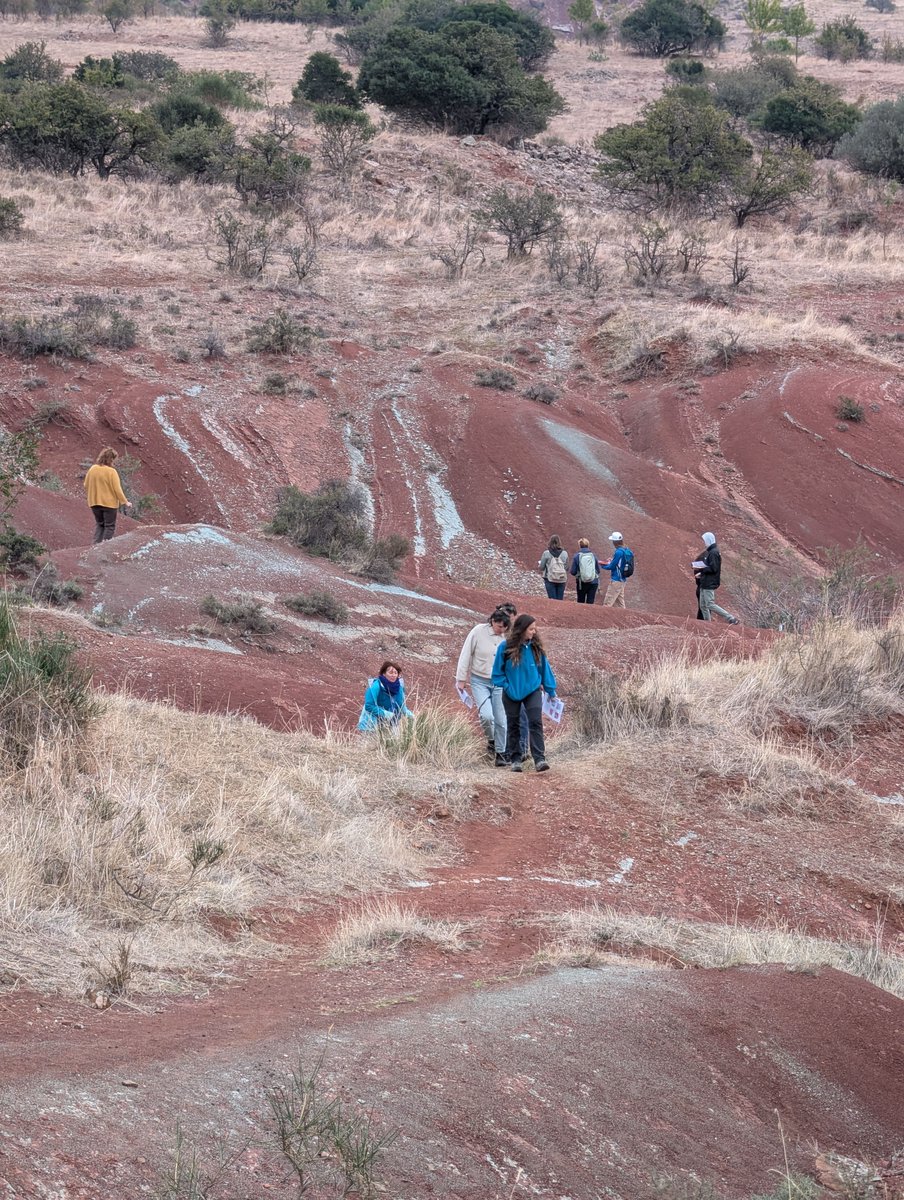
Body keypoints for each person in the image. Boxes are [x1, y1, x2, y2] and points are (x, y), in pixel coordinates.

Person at [492, 613, 557, 774]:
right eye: (531, 629)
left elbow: (545, 670)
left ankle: (540, 759)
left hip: (532, 690)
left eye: (534, 629)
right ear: (521, 630)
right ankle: (515, 760)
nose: (534, 632)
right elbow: (497, 673)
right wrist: (506, 686)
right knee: (513, 725)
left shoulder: (536, 648)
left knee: (535, 722)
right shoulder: (505, 647)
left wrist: (551, 690)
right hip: (511, 692)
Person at [456, 609, 510, 766]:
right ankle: (492, 740)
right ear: (492, 621)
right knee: (487, 716)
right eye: (499, 626)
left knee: (501, 719)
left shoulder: (507, 637)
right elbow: (466, 653)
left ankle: (501, 754)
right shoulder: (478, 631)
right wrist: (461, 678)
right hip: (479, 681)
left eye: (504, 627)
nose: (501, 630)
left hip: (499, 682)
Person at [84, 447, 131, 544]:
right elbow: (117, 489)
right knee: (109, 526)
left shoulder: (93, 469)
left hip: (94, 503)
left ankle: (95, 546)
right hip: (109, 504)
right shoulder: (111, 472)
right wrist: (125, 502)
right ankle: (104, 547)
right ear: (111, 459)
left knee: (100, 525)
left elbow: (86, 484)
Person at [693, 532, 740, 625]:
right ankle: (708, 624)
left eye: (705, 541)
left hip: (709, 583)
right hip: (704, 582)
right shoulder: (710, 552)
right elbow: (710, 567)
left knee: (710, 604)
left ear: (709, 541)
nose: (704, 543)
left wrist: (702, 568)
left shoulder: (713, 553)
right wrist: (701, 574)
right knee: (703, 606)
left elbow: (714, 568)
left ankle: (731, 618)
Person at [358, 660, 414, 730]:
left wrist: (412, 716)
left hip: (391, 724)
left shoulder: (399, 688)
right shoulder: (376, 686)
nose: (393, 675)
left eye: (395, 673)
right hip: (371, 725)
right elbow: (369, 706)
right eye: (390, 673)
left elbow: (401, 707)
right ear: (384, 674)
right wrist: (386, 714)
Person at [600, 532, 633, 608]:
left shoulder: (618, 552)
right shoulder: (626, 549)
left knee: (607, 603)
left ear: (614, 542)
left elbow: (612, 566)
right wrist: (612, 560)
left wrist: (602, 565)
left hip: (616, 580)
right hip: (622, 580)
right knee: (619, 604)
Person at [570, 538, 601, 605]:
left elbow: (573, 571)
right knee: (590, 603)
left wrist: (580, 574)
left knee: (581, 602)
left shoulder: (577, 556)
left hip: (581, 583)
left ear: (579, 545)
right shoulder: (593, 556)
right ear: (588, 545)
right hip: (593, 582)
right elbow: (598, 570)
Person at [538, 535, 569, 600]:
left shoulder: (546, 553)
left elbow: (541, 567)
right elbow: (567, 567)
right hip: (561, 578)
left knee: (552, 600)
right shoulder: (565, 553)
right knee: (560, 600)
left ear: (550, 542)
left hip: (549, 578)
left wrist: (540, 565)